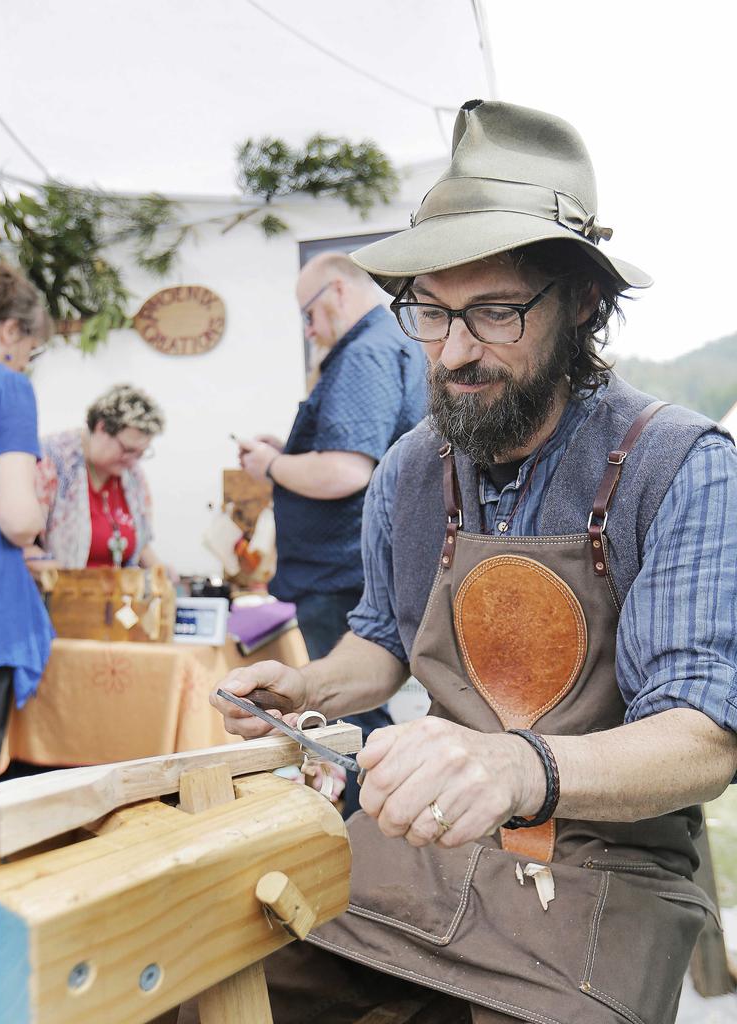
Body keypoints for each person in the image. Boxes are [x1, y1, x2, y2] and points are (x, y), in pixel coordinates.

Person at [212, 100, 737, 1024]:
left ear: (583, 302)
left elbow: (703, 737)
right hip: (424, 843)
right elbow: (380, 638)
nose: (455, 351)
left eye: (494, 312)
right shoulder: (412, 467)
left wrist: (515, 767)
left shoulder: (681, 466)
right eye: (432, 312)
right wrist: (309, 690)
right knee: (221, 988)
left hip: (609, 863)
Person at [237, 251, 426, 814]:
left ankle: (368, 835)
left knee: (349, 727)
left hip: (339, 570)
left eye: (310, 314)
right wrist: (289, 454)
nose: (310, 329)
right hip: (350, 566)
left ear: (339, 293)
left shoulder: (362, 353)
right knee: (356, 721)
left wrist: (270, 466)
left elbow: (346, 470)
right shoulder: (388, 345)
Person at [0, 260, 55, 792]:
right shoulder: (7, 389)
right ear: (10, 331)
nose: (26, 361)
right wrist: (38, 513)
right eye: (31, 349)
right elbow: (18, 518)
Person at [29, 383, 170, 573]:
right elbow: (23, 546)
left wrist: (162, 575)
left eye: (141, 453)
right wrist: (70, 583)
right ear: (101, 427)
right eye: (127, 450)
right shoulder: (51, 461)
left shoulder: (132, 475)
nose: (132, 460)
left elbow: (141, 544)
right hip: (62, 594)